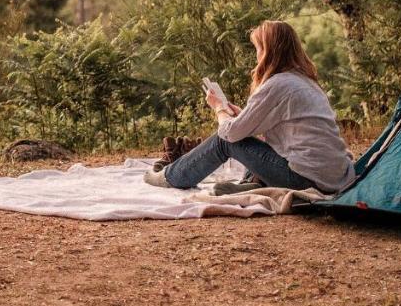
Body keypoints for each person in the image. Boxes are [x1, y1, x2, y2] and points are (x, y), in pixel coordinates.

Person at [144, 20, 354, 195]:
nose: (256, 55)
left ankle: (172, 177)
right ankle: (253, 184)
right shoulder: (306, 82)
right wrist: (243, 115)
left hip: (305, 179)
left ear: (269, 52)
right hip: (333, 177)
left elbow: (230, 134)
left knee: (223, 142)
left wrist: (219, 108)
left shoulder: (277, 84)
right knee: (242, 134)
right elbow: (284, 131)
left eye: (258, 49)